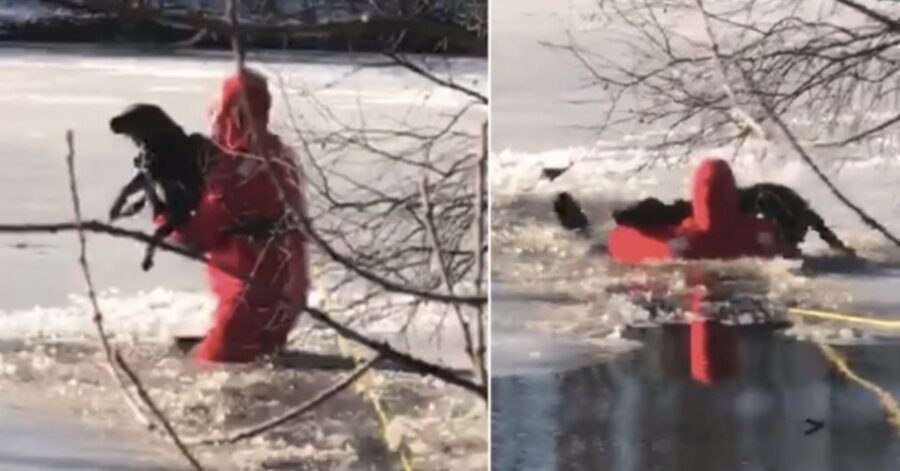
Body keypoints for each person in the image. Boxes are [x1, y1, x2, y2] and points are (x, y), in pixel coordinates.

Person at [156, 68, 308, 363]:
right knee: (259, 365)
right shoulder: (281, 156)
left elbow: (197, 236)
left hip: (246, 301)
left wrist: (165, 212)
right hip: (286, 297)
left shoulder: (235, 170)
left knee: (218, 370)